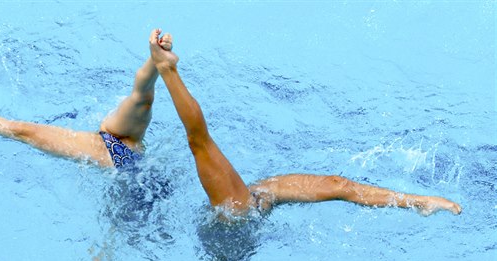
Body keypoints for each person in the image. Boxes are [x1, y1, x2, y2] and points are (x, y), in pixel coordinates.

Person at [147, 29, 462, 217]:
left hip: (251, 203)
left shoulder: (245, 200)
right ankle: (167, 70)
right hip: (245, 209)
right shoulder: (238, 207)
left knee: (338, 185)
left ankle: (418, 203)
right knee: (199, 142)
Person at [0, 34, 174, 170]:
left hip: (120, 157)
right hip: (107, 151)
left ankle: (156, 58)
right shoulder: (112, 147)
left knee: (143, 101)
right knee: (20, 130)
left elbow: (117, 213)